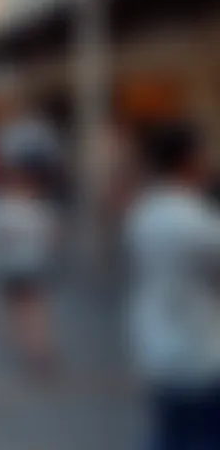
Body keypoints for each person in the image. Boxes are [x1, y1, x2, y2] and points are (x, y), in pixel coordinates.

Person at [127, 122, 220, 450]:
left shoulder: (146, 210)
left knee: (170, 433)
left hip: (158, 339)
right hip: (198, 349)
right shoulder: (195, 221)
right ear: (189, 160)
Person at [0, 148, 58, 376]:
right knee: (34, 309)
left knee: (17, 308)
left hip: (10, 266)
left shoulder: (0, 208)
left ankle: (24, 343)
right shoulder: (40, 209)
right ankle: (37, 348)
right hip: (33, 265)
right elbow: (53, 238)